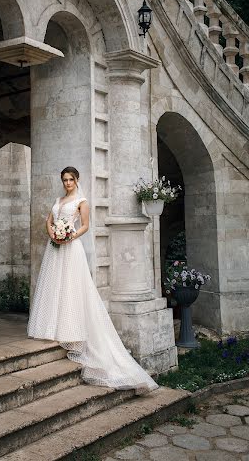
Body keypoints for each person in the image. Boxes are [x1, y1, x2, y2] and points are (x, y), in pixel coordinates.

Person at [27, 166, 158, 393]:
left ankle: (71, 329)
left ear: (77, 180)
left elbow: (86, 226)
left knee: (71, 287)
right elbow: (49, 220)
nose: (67, 183)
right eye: (65, 180)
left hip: (70, 247)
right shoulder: (58, 200)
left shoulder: (82, 201)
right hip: (55, 247)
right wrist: (53, 234)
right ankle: (53, 327)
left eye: (71, 180)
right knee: (53, 286)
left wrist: (69, 236)